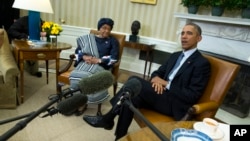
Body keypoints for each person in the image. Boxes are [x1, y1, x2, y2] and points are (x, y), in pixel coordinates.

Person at [83, 23, 211, 140]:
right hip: (160, 94)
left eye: (189, 33)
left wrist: (166, 83)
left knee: (134, 80)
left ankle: (108, 118)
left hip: (176, 103)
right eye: (182, 33)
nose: (184, 37)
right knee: (130, 99)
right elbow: (157, 73)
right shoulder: (176, 55)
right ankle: (120, 137)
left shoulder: (201, 63)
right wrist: (156, 80)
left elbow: (192, 96)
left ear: (199, 38)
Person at [69, 18, 119, 115]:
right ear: (99, 28)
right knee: (74, 74)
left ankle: (83, 103)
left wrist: (99, 60)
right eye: (104, 28)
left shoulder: (112, 41)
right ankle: (77, 100)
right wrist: (84, 56)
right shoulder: (89, 38)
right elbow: (77, 52)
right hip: (85, 63)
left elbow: (114, 58)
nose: (107, 31)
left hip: (101, 66)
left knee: (88, 77)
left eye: (109, 29)